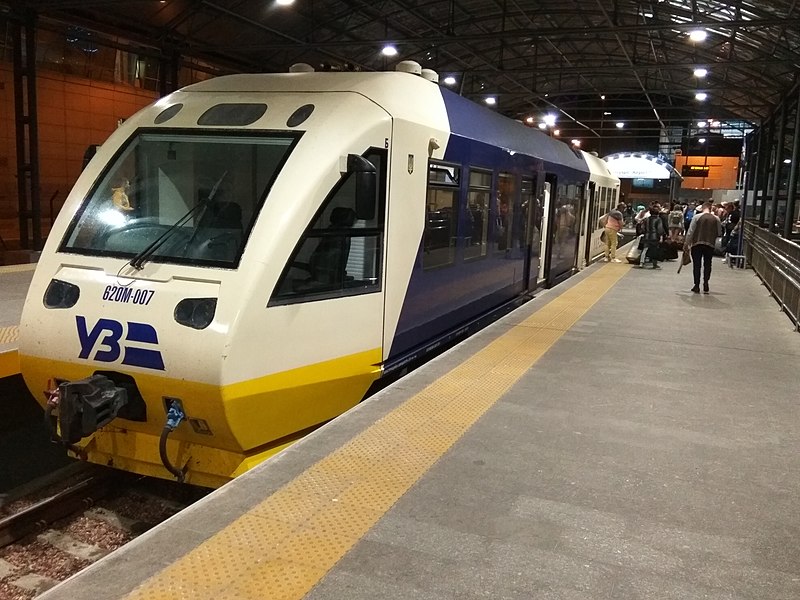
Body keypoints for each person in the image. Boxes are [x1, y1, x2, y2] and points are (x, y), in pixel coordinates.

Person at [684, 201, 722, 293]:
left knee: (697, 265)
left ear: (702, 208)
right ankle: (706, 283)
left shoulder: (697, 217)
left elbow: (690, 231)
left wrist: (686, 243)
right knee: (708, 264)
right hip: (710, 244)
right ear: (710, 208)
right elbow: (719, 232)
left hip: (697, 243)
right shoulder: (716, 219)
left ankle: (696, 285)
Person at [640, 202, 666, 269]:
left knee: (645, 249)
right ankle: (654, 264)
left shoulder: (646, 219)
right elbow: (660, 229)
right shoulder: (658, 219)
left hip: (646, 236)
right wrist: (661, 237)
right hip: (654, 237)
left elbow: (642, 228)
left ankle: (641, 263)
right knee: (655, 250)